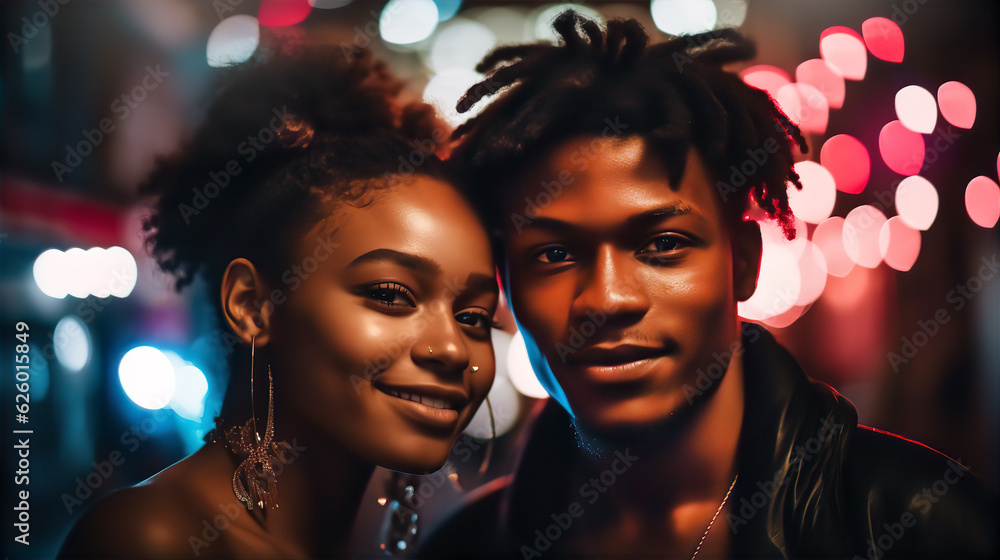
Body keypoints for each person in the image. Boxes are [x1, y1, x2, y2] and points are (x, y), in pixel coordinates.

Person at [420, 11, 998, 559]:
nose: (608, 299)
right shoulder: (467, 546)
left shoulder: (920, 523)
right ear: (504, 285)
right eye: (553, 253)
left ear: (742, 263)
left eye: (662, 245)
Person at [58, 38, 498, 559]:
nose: (452, 348)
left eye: (474, 316)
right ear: (251, 305)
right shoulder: (153, 540)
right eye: (390, 295)